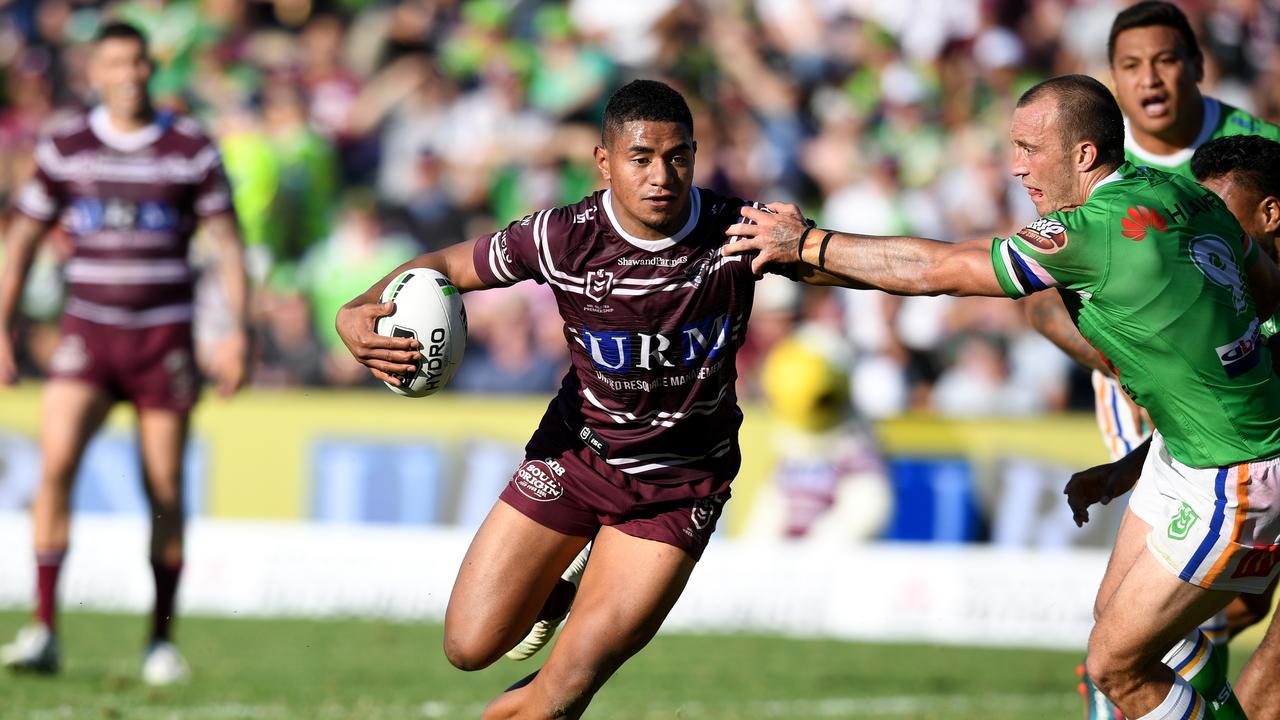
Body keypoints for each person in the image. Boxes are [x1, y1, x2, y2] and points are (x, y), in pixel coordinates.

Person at [724, 74, 1280, 720]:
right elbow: (1265, 290)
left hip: (1232, 472)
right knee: (1120, 628)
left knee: (1114, 665)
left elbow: (938, 271)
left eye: (1028, 148)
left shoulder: (1086, 235)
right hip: (1187, 452)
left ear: (1083, 155)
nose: (1015, 168)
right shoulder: (1184, 194)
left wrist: (807, 244)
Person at [336, 79, 776, 719]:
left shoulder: (739, 232)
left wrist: (974, 270)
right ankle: (559, 588)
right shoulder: (561, 237)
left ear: (695, 156)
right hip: (577, 454)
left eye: (677, 157)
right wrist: (359, 307)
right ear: (604, 162)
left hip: (677, 489)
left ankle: (591, 598)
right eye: (641, 158)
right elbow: (444, 267)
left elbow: (881, 264)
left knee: (556, 697)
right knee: (468, 645)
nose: (662, 175)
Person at [1021, 5, 1280, 714]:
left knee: (1196, 619)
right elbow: (1040, 300)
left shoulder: (1253, 150)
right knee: (1160, 624)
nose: (1150, 79)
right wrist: (1132, 363)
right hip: (1166, 411)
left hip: (1252, 408)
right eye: (1131, 66)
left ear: (1198, 65)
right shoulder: (1100, 160)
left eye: (1165, 60)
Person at [0, 22, 248, 685]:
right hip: (88, 332)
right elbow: (21, 239)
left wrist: (238, 332)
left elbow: (228, 243)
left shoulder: (190, 148)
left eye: (139, 61)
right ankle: (44, 627)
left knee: (164, 490)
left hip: (162, 337)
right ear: (96, 73)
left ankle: (160, 641)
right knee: (53, 467)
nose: (131, 73)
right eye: (117, 63)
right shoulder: (66, 148)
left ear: (151, 69)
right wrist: (2, 324)